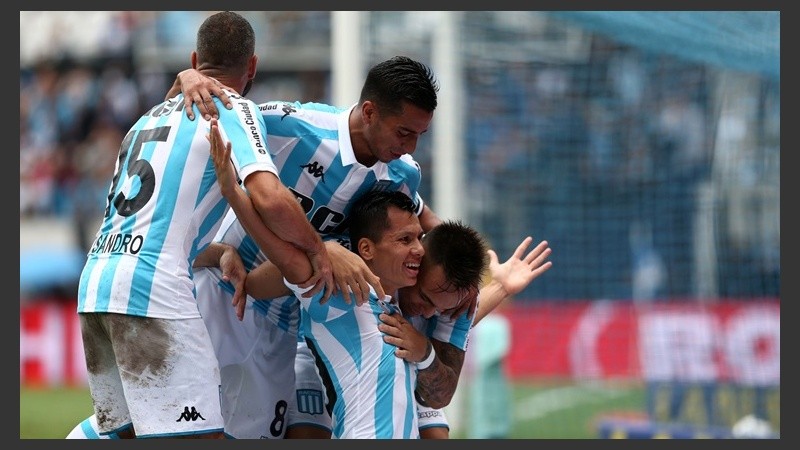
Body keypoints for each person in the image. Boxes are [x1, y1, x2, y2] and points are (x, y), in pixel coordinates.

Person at [74, 11, 331, 439]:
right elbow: (269, 197)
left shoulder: (145, 118)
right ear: (252, 67)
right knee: (203, 436)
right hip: (153, 292)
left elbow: (154, 216)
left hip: (96, 285)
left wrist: (223, 250)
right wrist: (319, 250)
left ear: (195, 59)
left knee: (123, 435)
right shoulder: (231, 107)